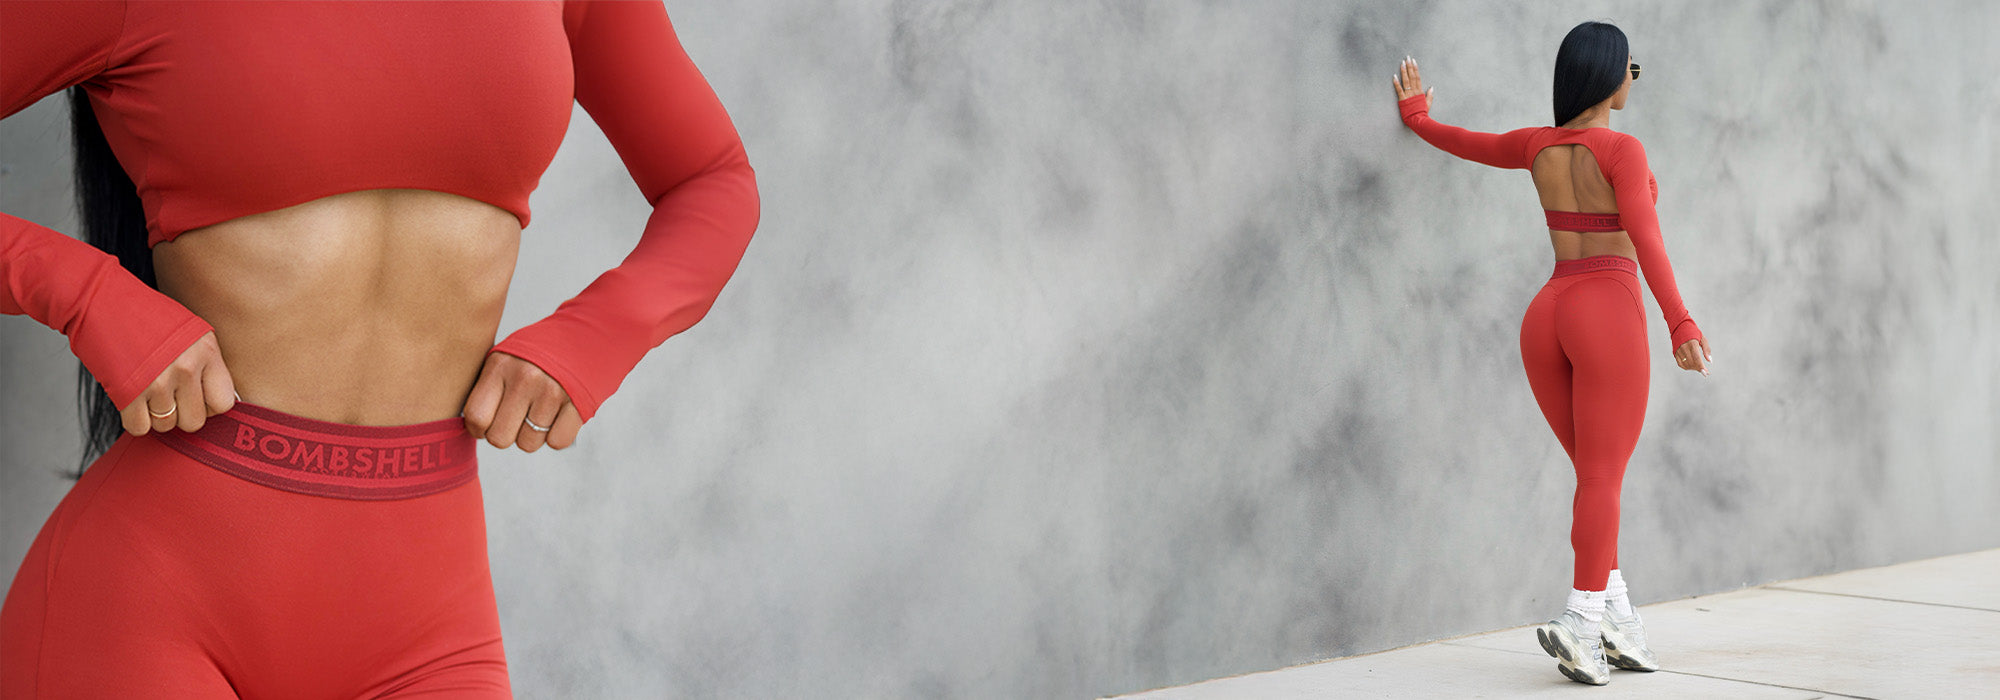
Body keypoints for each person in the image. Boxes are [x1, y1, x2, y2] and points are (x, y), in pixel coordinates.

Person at [0, 1, 758, 696]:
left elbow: (712, 179)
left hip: (429, 620)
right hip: (151, 604)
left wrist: (596, 335)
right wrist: (84, 293)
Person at [1392, 21, 1712, 686]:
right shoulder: (1622, 151)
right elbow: (1647, 241)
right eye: (1633, 68)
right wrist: (1680, 321)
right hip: (1607, 312)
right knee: (1603, 478)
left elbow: (1468, 143)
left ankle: (1617, 617)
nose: (1634, 78)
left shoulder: (1538, 146)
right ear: (1608, 76)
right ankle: (1581, 620)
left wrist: (1417, 116)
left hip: (1547, 315)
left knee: (1598, 480)